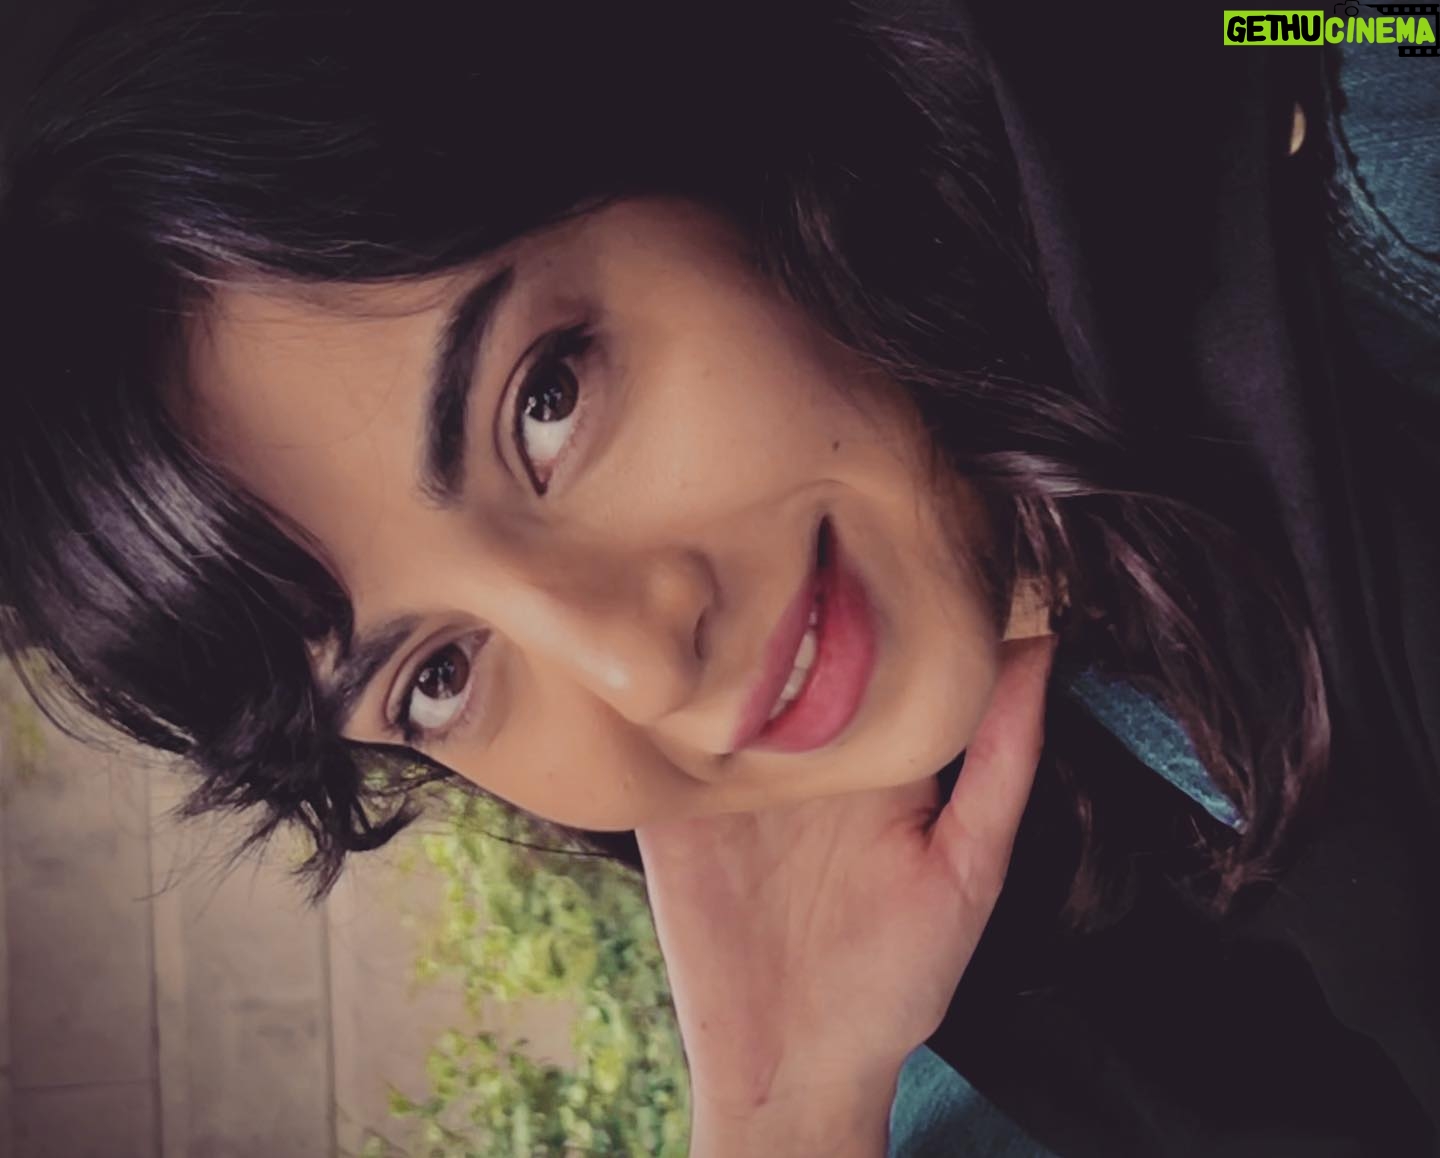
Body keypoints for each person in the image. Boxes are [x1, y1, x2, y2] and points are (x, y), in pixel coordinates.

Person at [0, 1, 1435, 1154]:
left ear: (680, 133)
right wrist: (784, 1110)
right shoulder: (970, 979)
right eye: (436, 675)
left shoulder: (1354, 141)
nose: (637, 667)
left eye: (545, 402)